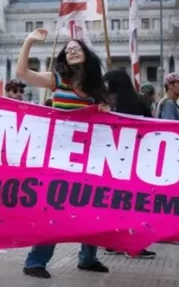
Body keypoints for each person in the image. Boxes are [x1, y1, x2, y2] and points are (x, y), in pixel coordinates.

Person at [16, 28, 109, 279]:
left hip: (89, 157)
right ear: (63, 59)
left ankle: (88, 258)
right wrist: (28, 41)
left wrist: (104, 109)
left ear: (86, 55)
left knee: (93, 207)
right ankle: (36, 260)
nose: (72, 51)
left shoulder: (96, 89)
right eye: (68, 50)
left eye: (76, 48)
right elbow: (23, 73)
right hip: (58, 156)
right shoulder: (57, 79)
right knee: (54, 208)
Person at [102, 67, 157, 259]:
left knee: (115, 205)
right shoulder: (139, 104)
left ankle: (113, 243)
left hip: (114, 162)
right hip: (137, 162)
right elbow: (153, 130)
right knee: (135, 206)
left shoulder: (107, 106)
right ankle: (134, 245)